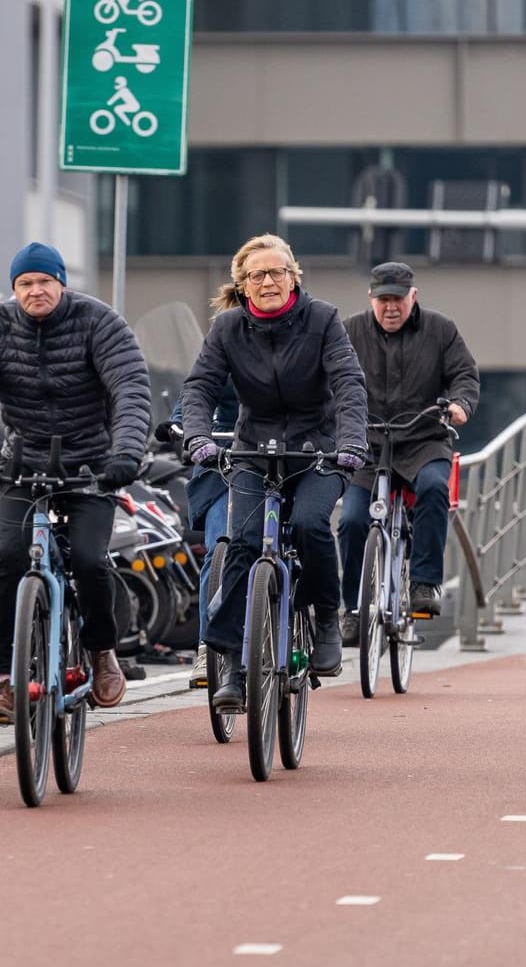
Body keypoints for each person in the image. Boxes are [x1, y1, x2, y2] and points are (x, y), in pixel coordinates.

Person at [0, 242, 152, 723]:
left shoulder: (100, 322)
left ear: (61, 282)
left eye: (44, 282)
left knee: (90, 558)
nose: (36, 291)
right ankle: (4, 680)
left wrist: (125, 454)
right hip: (24, 463)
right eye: (25, 284)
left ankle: (101, 652)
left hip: (91, 466)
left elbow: (130, 390)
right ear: (14, 289)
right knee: (11, 556)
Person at [180, 234, 368, 708]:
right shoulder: (227, 328)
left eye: (278, 272)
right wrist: (197, 436)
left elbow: (348, 382)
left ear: (293, 276)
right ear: (242, 286)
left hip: (319, 450)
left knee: (308, 524)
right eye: (257, 275)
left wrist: (351, 442)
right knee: (240, 541)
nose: (269, 281)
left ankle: (326, 616)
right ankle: (230, 663)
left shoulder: (322, 319)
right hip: (253, 449)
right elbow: (200, 386)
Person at [338, 261, 479, 628]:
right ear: (370, 298)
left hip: (423, 439)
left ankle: (424, 583)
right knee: (351, 519)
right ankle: (351, 608)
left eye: (398, 299)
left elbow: (464, 373)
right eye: (383, 299)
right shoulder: (349, 331)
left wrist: (460, 404)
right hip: (366, 446)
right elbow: (328, 378)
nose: (390, 308)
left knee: (434, 489)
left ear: (413, 297)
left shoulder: (440, 330)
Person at [169, 381, 238, 687]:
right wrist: (182, 426)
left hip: (282, 445)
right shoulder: (226, 339)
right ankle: (205, 647)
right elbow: (199, 386)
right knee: (219, 546)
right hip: (223, 452)